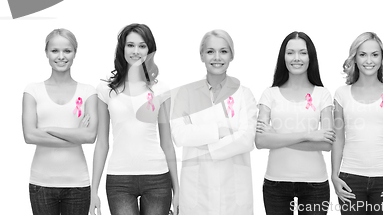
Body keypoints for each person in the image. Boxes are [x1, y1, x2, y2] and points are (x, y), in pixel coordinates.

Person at [90, 23, 179, 215]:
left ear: (150, 50)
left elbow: (167, 142)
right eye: (130, 45)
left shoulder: (161, 89)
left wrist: (177, 190)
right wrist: (93, 190)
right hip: (119, 179)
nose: (136, 51)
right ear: (122, 49)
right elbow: (102, 143)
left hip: (157, 178)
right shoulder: (105, 89)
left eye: (142, 46)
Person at [170, 29, 257, 215]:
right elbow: (179, 134)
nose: (217, 57)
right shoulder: (186, 94)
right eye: (210, 51)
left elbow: (248, 138)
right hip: (197, 193)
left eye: (223, 51)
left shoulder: (244, 94)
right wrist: (219, 131)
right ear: (201, 55)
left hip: (234, 194)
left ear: (232, 55)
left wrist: (204, 144)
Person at [255, 31, 334, 215]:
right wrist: (308, 135)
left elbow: (326, 144)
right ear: (283, 57)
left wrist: (276, 136)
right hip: (276, 184)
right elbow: (260, 142)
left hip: (315, 184)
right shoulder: (269, 94)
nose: (296, 58)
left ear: (310, 57)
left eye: (302, 52)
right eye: (290, 52)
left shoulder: (323, 94)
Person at [22, 28, 97, 215]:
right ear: (46, 53)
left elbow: (89, 136)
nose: (61, 56)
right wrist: (75, 135)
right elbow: (29, 135)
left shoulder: (88, 92)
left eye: (67, 51)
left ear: (75, 53)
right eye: (55, 50)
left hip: (78, 184)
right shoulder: (33, 90)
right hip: (41, 184)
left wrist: (47, 130)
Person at [331, 32, 383, 215]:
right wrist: (334, 175)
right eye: (362, 54)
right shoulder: (341, 94)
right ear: (354, 58)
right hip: (350, 177)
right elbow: (338, 139)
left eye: (374, 54)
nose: (369, 60)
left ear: (381, 58)